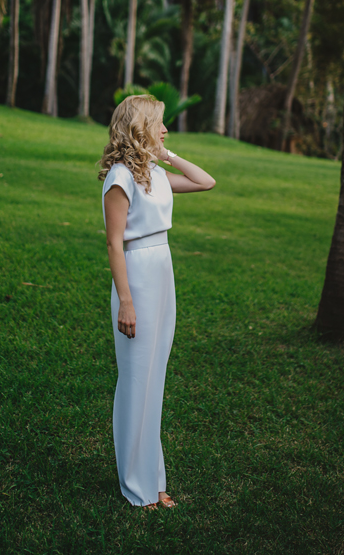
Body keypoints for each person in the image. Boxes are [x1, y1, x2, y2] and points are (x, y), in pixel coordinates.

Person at [98, 94, 215, 509]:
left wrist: (167, 155)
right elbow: (114, 244)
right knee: (135, 383)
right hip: (137, 277)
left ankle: (153, 479)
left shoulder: (154, 173)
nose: (165, 130)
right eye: (159, 125)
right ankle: (136, 486)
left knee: (154, 383)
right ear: (139, 127)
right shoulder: (120, 178)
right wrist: (125, 301)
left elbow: (206, 181)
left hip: (162, 274)